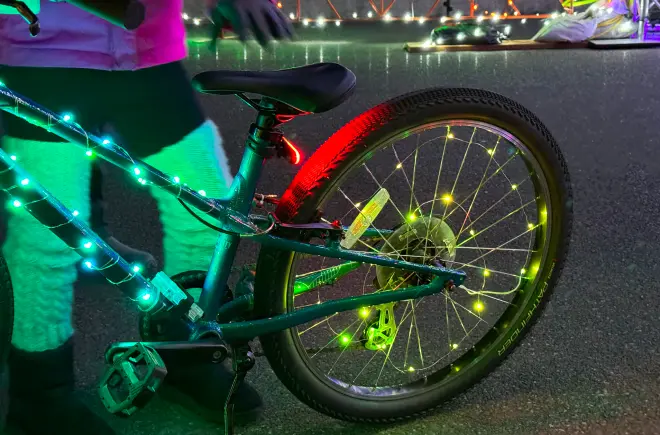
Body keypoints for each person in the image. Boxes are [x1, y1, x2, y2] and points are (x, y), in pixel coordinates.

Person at [0, 1, 292, 434]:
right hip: (46, 48)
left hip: (146, 48)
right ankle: (40, 396)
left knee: (206, 209)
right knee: (48, 239)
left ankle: (183, 355)